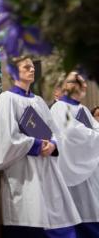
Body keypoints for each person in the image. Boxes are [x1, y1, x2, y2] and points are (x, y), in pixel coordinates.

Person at [0, 55, 80, 237]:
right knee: (27, 214)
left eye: (32, 67)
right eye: (26, 67)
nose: (32, 70)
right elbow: (7, 137)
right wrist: (37, 144)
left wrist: (53, 144)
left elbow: (54, 130)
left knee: (51, 214)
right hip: (22, 168)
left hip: (45, 166)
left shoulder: (38, 101)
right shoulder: (6, 98)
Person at [50, 71, 99, 237]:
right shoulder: (59, 107)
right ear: (65, 86)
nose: (81, 85)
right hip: (75, 170)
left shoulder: (83, 108)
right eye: (75, 81)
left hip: (91, 168)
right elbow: (72, 133)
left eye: (81, 81)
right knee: (83, 213)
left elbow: (94, 128)